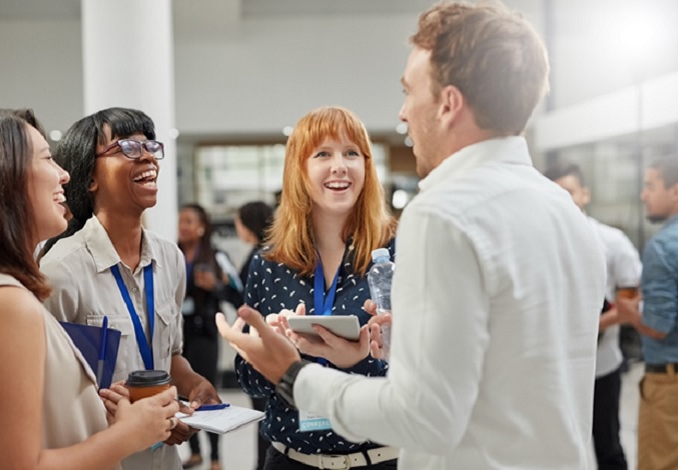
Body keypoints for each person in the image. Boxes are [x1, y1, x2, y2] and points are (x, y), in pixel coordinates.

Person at [217, 3, 607, 469]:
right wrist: (384, 349)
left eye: (409, 91)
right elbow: (506, 364)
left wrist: (294, 375)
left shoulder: (443, 214)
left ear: (448, 104)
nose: (403, 113)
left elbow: (425, 417)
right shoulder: (562, 210)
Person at [0, 108, 180, 470]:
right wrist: (130, 433)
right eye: (46, 159)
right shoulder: (3, 304)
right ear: (1, 181)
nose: (64, 175)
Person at [38, 107, 219, 470]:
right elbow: (48, 392)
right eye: (128, 148)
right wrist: (134, 417)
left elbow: (168, 357)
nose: (149, 155)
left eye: (150, 145)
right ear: (90, 178)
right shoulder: (60, 270)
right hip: (103, 459)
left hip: (166, 460)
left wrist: (195, 382)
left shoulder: (169, 258)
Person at [234, 106, 398, 470]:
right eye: (323, 153)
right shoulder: (270, 262)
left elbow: (428, 370)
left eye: (351, 153)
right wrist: (269, 351)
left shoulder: (400, 253)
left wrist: (362, 359)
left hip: (381, 458)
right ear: (299, 170)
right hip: (291, 460)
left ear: (367, 167)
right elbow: (248, 381)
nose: (339, 165)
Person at [545, 162, 641, 470]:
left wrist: (593, 326)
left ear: (585, 194)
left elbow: (633, 301)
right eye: (556, 193)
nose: (564, 199)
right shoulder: (540, 244)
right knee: (554, 451)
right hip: (551, 370)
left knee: (608, 446)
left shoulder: (612, 241)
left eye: (570, 191)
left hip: (602, 366)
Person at [617, 156, 678, 470]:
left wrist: (629, 312)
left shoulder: (662, 247)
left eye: (650, 186)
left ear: (675, 192)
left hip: (669, 387)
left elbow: (658, 326)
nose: (643, 195)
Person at [177, 203, 241, 470]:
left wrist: (215, 286)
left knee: (206, 391)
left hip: (205, 334)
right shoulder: (172, 254)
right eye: (181, 221)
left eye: (189, 221)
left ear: (202, 227)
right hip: (179, 334)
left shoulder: (217, 255)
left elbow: (238, 294)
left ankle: (215, 457)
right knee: (183, 392)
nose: (183, 226)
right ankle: (195, 452)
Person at [233, 200, 275, 470]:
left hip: (261, 347)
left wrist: (221, 288)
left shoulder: (261, 258)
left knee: (264, 416)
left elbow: (249, 303)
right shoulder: (263, 255)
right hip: (261, 346)